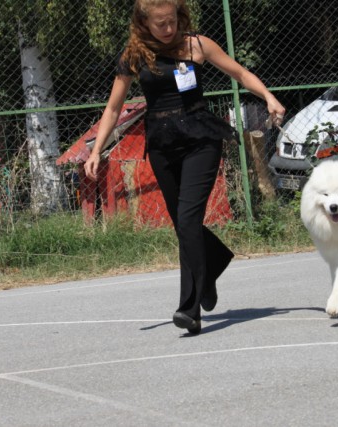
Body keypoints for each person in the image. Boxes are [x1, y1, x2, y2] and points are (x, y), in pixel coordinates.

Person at [84, 0, 285, 335]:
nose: (168, 29)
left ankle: (189, 309)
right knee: (182, 224)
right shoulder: (134, 55)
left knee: (189, 219)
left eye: (172, 21)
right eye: (160, 24)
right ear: (144, 23)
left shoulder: (197, 45)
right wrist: (97, 151)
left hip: (201, 140)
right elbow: (113, 107)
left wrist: (268, 96)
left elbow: (239, 72)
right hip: (163, 146)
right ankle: (214, 260)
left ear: (180, 16)